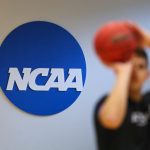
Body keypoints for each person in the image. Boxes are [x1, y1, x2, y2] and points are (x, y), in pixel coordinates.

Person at [94, 23, 150, 150]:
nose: (134, 72)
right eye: (131, 66)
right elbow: (112, 118)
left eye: (140, 67)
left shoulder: (148, 100)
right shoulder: (104, 102)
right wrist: (124, 70)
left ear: (147, 74)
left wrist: (147, 40)